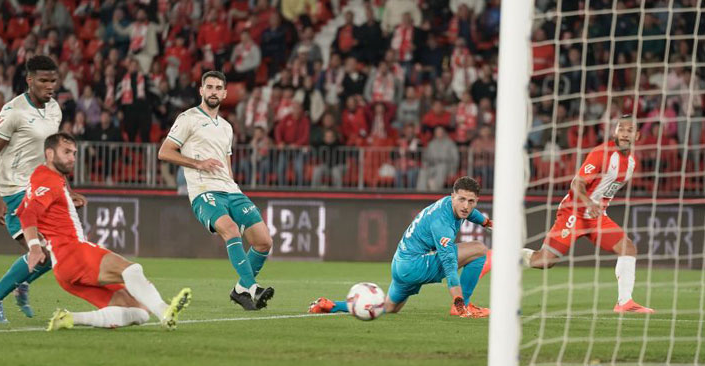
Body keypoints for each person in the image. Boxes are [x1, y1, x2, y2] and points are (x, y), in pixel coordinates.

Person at [16, 133, 190, 330]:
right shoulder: (48, 179)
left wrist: (67, 200)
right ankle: (165, 311)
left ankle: (69, 318)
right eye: (66, 152)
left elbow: (22, 209)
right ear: (49, 153)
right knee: (131, 270)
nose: (72, 157)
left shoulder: (44, 177)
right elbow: (29, 214)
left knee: (140, 312)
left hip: (63, 269)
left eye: (74, 153)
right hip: (72, 251)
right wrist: (34, 247)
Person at [0, 55, 81, 324]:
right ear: (29, 80)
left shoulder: (55, 109)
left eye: (53, 81)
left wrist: (67, 190)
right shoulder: (14, 112)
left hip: (38, 189)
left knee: (59, 249)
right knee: (44, 252)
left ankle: (22, 282)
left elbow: (52, 158)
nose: (50, 86)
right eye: (44, 81)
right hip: (12, 190)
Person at [158, 71, 274, 311]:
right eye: (208, 87)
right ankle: (253, 288)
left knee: (263, 241)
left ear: (224, 93)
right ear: (201, 90)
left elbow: (226, 163)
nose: (213, 91)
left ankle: (240, 290)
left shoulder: (227, 127)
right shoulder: (188, 117)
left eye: (217, 87)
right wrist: (198, 163)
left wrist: (233, 187)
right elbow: (165, 151)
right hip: (203, 190)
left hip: (230, 189)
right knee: (231, 230)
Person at [521, 115, 655, 314]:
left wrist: (596, 206)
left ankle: (625, 303)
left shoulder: (632, 163)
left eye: (630, 130)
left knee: (627, 248)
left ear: (637, 135)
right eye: (621, 129)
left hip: (596, 216)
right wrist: (588, 202)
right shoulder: (602, 153)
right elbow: (577, 183)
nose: (625, 133)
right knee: (544, 261)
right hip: (574, 211)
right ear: (615, 131)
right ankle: (508, 255)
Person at [309, 176, 493, 318]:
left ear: (476, 201)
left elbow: (469, 213)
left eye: (471, 201)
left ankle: (331, 306)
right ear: (453, 196)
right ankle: (465, 306)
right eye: (462, 199)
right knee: (479, 249)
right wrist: (457, 299)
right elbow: (448, 261)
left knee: (388, 307)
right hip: (415, 265)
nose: (466, 206)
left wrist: (486, 222)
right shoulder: (442, 223)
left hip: (400, 264)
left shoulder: (450, 204)